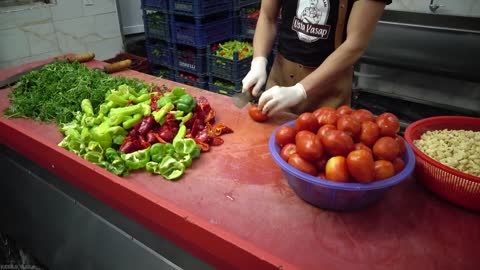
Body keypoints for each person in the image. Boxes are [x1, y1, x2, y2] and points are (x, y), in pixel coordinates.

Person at [241, 0, 391, 117]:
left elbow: (356, 44)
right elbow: (267, 17)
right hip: (280, 78)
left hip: (329, 88)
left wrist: (300, 90)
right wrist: (259, 61)